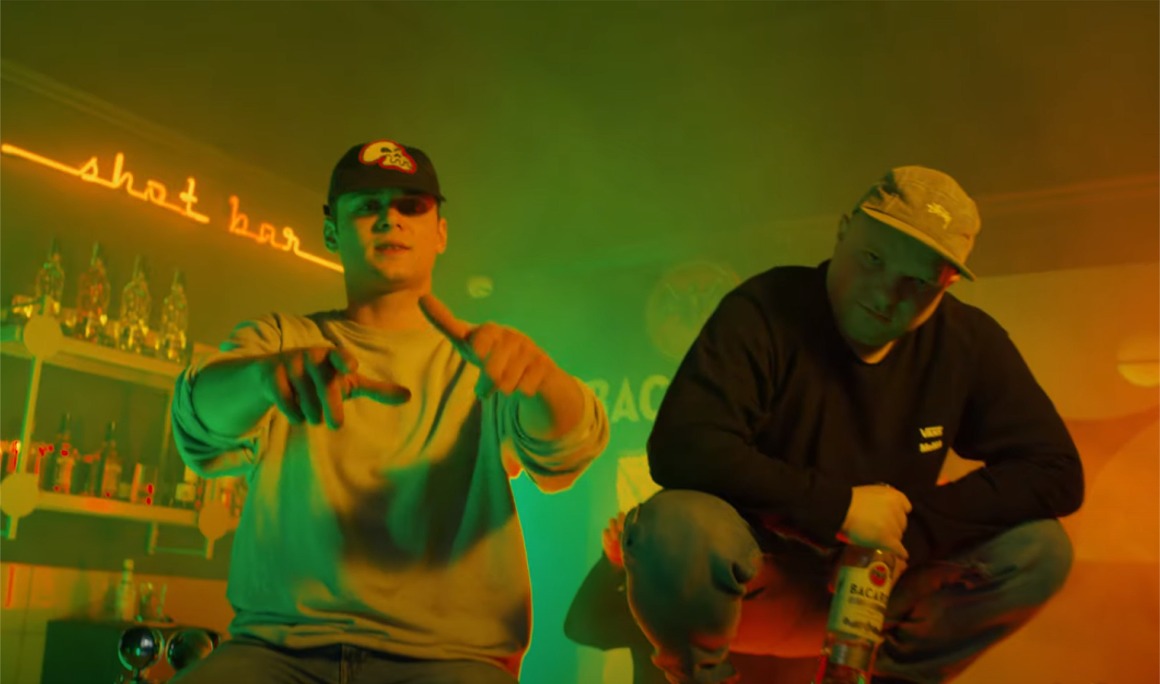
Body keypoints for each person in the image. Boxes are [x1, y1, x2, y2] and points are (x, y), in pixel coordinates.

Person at [607, 166, 1084, 683]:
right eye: (873, 259)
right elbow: (682, 446)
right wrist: (842, 509)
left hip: (875, 591)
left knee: (1039, 549)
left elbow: (1056, 471)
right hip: (759, 582)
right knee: (677, 523)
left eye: (918, 282)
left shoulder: (966, 342)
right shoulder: (766, 307)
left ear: (946, 283)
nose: (885, 295)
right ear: (842, 231)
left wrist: (913, 531)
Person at [170, 139, 610, 683]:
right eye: (367, 206)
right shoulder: (281, 340)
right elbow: (198, 425)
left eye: (410, 206)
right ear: (331, 232)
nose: (389, 219)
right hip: (279, 653)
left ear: (440, 232)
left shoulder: (486, 358)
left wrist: (541, 380)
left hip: (450, 659)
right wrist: (264, 378)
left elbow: (568, 450)